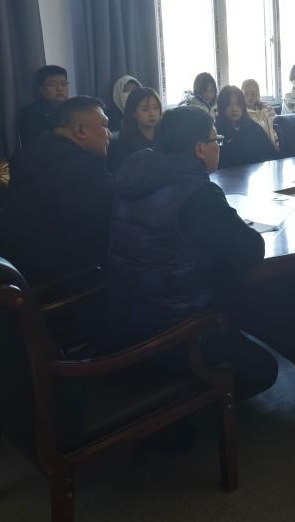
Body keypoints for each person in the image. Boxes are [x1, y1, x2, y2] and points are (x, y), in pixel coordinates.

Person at [106, 106, 277, 402]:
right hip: (175, 332)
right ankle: (179, 402)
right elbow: (250, 250)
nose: (219, 146)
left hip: (123, 320)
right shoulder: (196, 193)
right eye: (216, 140)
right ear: (200, 148)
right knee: (264, 369)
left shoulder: (134, 170)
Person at [2, 96, 112, 286]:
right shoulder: (84, 168)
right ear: (81, 130)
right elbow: (110, 220)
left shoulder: (28, 153)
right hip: (65, 277)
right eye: (105, 126)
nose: (109, 134)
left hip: (18, 269)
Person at [216, 85, 277, 168]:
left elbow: (271, 155)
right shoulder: (216, 131)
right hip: (225, 175)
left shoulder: (254, 128)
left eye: (238, 104)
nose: (234, 109)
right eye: (229, 105)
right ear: (222, 107)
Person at [107, 88, 162, 174]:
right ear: (133, 113)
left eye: (156, 108)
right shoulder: (122, 143)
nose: (152, 114)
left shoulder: (166, 136)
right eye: (145, 109)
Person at [18, 65, 69, 147]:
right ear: (41, 89)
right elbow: (33, 144)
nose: (60, 88)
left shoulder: (74, 108)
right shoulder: (31, 112)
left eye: (63, 83)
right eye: (52, 84)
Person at [241, 79, 279, 148]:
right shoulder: (241, 112)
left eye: (253, 94)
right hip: (254, 147)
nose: (250, 97)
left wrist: (277, 141)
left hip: (274, 145)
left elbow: (276, 125)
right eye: (246, 94)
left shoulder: (267, 107)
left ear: (258, 94)